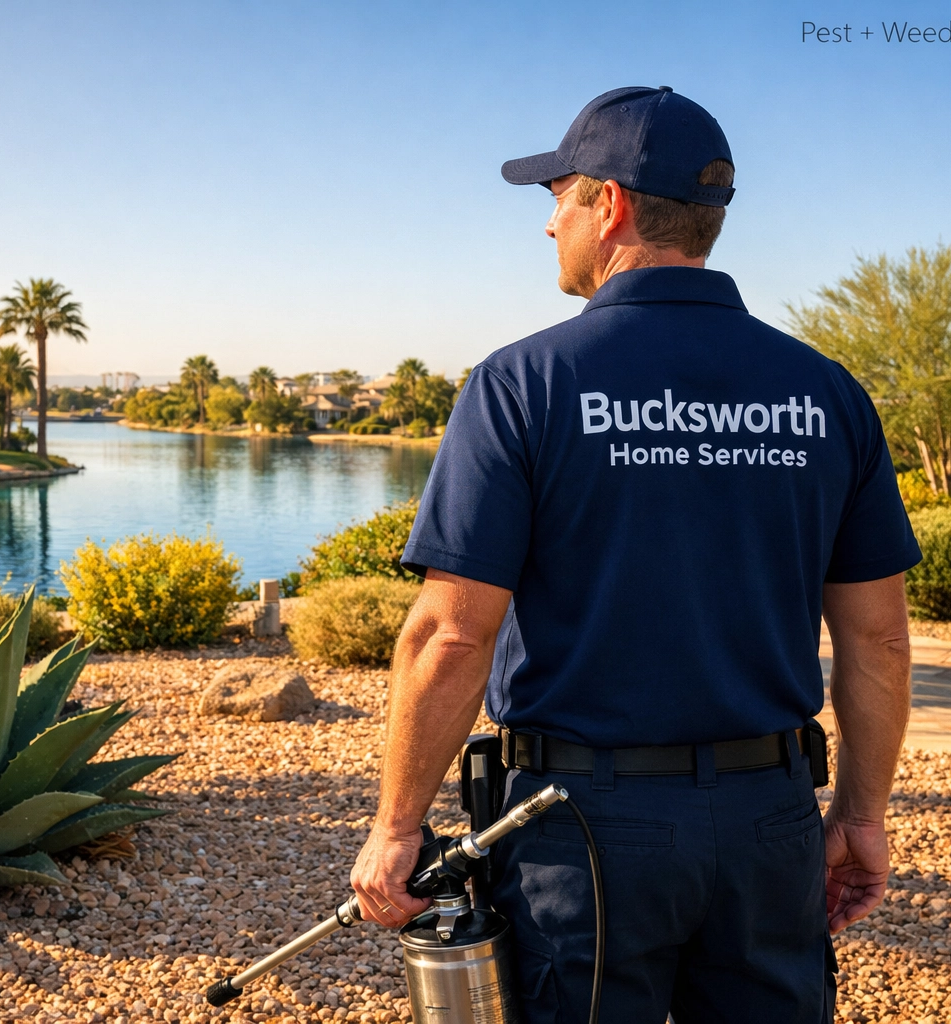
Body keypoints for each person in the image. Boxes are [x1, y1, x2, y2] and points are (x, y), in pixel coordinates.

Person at [349, 86, 919, 1023]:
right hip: (769, 824)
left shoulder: (523, 384)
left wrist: (397, 826)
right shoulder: (827, 394)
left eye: (558, 197)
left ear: (608, 204)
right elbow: (880, 641)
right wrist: (860, 817)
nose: (548, 225)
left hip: (577, 833)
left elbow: (452, 635)